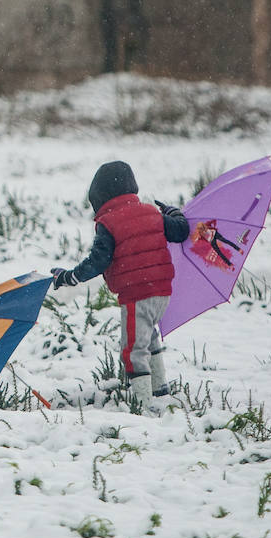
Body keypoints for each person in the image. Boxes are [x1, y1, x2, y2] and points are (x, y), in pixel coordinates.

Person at [49, 161, 189, 411]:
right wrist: (172, 212)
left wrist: (69, 277)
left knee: (133, 349)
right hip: (162, 291)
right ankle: (160, 389)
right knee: (150, 338)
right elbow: (180, 231)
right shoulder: (152, 212)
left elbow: (98, 262)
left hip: (136, 294)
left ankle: (143, 403)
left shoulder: (109, 223)